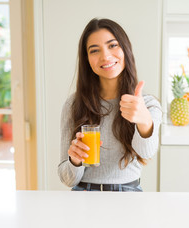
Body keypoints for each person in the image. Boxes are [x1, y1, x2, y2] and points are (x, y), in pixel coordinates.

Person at [58, 18, 162, 192]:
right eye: (94, 50)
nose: (105, 56)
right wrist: (75, 160)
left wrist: (144, 120)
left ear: (125, 49)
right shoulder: (74, 104)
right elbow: (67, 179)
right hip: (83, 195)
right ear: (87, 60)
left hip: (128, 195)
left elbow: (146, 153)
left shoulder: (147, 104)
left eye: (112, 45)